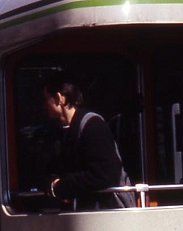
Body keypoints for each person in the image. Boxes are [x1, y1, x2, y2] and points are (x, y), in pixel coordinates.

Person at [42, 73, 130, 209]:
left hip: (107, 212)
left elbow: (104, 175)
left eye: (46, 99)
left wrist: (63, 185)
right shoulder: (63, 131)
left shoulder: (93, 125)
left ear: (59, 98)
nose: (44, 105)